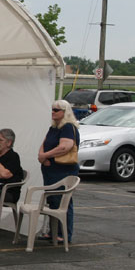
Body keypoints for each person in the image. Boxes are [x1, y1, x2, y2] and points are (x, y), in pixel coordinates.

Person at [37, 99, 80, 243]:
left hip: (63, 170)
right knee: (52, 200)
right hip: (51, 169)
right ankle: (53, 231)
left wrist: (46, 155)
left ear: (64, 112)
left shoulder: (67, 127)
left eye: (56, 110)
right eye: (52, 109)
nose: (53, 112)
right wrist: (42, 156)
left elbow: (65, 147)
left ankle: (64, 233)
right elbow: (44, 144)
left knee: (63, 201)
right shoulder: (53, 127)